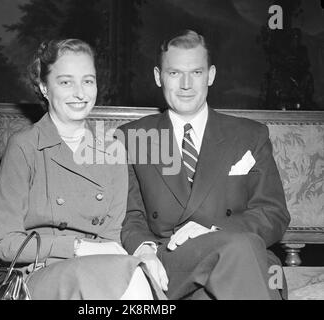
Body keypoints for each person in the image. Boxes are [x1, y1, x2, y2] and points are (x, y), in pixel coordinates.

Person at [118, 30, 291, 300]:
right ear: (157, 76)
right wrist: (144, 250)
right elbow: (130, 216)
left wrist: (215, 231)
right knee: (240, 250)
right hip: (172, 264)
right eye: (174, 73)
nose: (186, 84)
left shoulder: (249, 135)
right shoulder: (133, 138)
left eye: (196, 73)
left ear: (210, 75)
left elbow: (273, 213)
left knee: (238, 252)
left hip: (245, 263)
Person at [0, 38, 165, 300]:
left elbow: (114, 235)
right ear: (44, 87)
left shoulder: (113, 149)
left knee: (135, 276)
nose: (80, 93)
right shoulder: (24, 147)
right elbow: (5, 244)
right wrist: (78, 247)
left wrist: (140, 251)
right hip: (38, 272)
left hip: (100, 267)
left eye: (88, 80)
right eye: (65, 82)